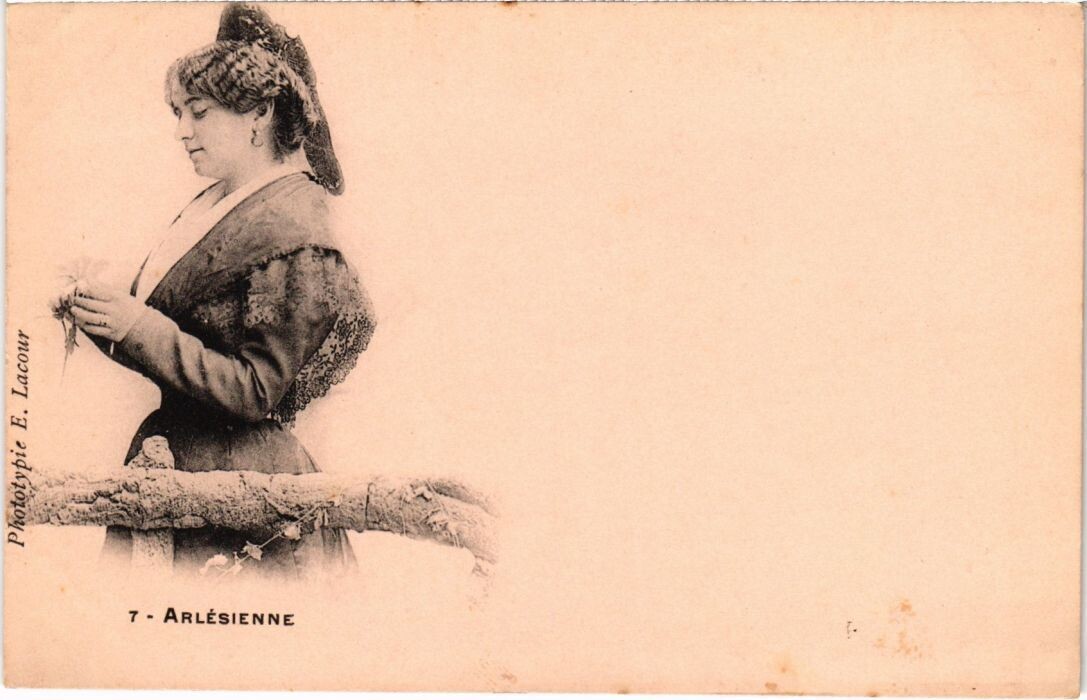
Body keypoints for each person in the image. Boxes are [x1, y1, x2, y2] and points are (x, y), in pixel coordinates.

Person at [67, 4, 375, 579]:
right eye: (178, 113)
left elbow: (256, 390)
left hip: (245, 490)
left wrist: (138, 326)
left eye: (199, 112)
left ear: (259, 113)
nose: (182, 131)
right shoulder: (215, 204)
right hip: (177, 464)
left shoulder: (292, 225)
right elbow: (176, 346)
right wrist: (102, 316)